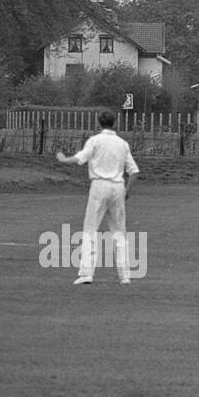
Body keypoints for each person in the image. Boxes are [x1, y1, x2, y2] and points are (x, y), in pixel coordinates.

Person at [56, 110, 140, 286]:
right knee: (119, 231)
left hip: (99, 186)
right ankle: (125, 275)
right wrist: (126, 191)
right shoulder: (122, 143)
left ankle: (87, 273)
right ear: (114, 123)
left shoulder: (95, 140)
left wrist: (64, 160)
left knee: (90, 229)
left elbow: (80, 158)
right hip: (118, 186)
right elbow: (133, 171)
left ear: (99, 123)